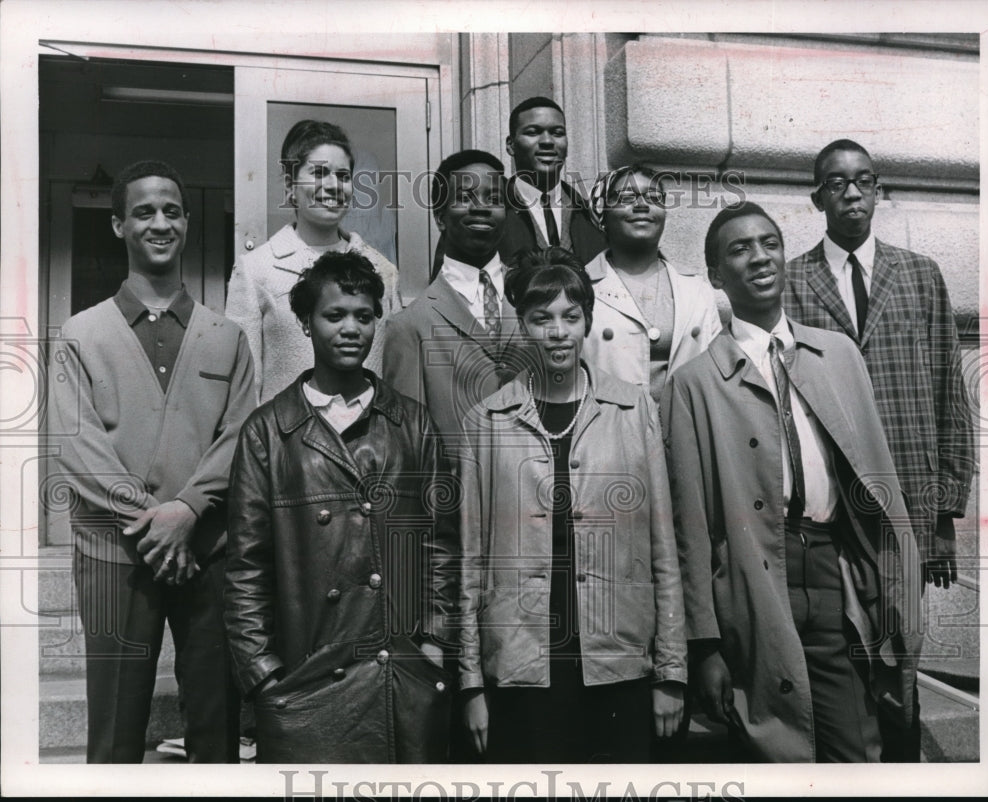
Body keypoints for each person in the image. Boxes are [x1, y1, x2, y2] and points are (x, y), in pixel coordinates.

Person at [666, 202, 922, 762]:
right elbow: (690, 524)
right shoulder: (694, 384)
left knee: (854, 744)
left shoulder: (837, 355)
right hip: (753, 583)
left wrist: (897, 587)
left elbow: (877, 483)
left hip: (833, 569)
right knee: (773, 747)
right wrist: (703, 645)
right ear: (715, 276)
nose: (759, 257)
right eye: (739, 249)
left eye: (769, 243)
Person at [48, 160, 255, 762]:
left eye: (171, 210)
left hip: (207, 550)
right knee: (114, 731)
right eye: (143, 212)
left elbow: (240, 433)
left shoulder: (227, 337)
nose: (159, 222)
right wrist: (154, 519)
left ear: (188, 222)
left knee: (216, 728)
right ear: (118, 226)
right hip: (115, 551)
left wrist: (188, 510)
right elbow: (75, 443)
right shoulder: (81, 335)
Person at [224, 251, 458, 763]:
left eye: (364, 315)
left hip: (401, 674)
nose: (350, 328)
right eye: (334, 315)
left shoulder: (412, 424)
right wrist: (263, 674)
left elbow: (441, 546)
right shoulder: (267, 432)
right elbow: (245, 568)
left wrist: (435, 646)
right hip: (307, 684)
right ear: (306, 323)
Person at [783, 140, 975, 760]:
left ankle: (900, 764)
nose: (851, 192)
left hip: (908, 504)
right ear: (818, 197)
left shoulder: (919, 274)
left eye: (863, 180)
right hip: (834, 506)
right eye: (836, 183)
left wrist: (945, 515)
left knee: (901, 651)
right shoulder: (791, 282)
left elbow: (949, 388)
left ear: (877, 190)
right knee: (846, 646)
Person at [457, 247, 686, 763]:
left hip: (618, 657)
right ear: (522, 324)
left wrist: (671, 670)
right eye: (542, 319)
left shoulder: (632, 407)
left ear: (587, 321)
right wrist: (471, 683)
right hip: (522, 662)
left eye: (570, 316)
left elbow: (663, 549)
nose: (557, 332)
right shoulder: (486, 421)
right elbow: (471, 561)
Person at [225, 119, 402, 403]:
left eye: (343, 176)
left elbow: (394, 374)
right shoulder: (255, 270)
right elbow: (244, 390)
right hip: (285, 442)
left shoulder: (382, 269)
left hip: (370, 440)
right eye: (319, 173)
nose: (333, 186)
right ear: (290, 184)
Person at [383, 150, 525, 442]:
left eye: (494, 198)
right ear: (440, 217)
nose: (482, 207)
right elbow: (407, 443)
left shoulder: (535, 297)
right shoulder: (410, 326)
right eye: (465, 197)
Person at [583, 163, 721, 405]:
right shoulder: (580, 287)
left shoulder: (697, 290)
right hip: (609, 432)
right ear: (602, 211)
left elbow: (718, 373)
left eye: (654, 197)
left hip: (685, 432)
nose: (642, 205)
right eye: (627, 197)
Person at [430, 98, 605, 275]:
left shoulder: (591, 215)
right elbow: (444, 291)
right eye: (533, 132)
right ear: (511, 145)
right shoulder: (481, 213)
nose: (547, 141)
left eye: (557, 133)